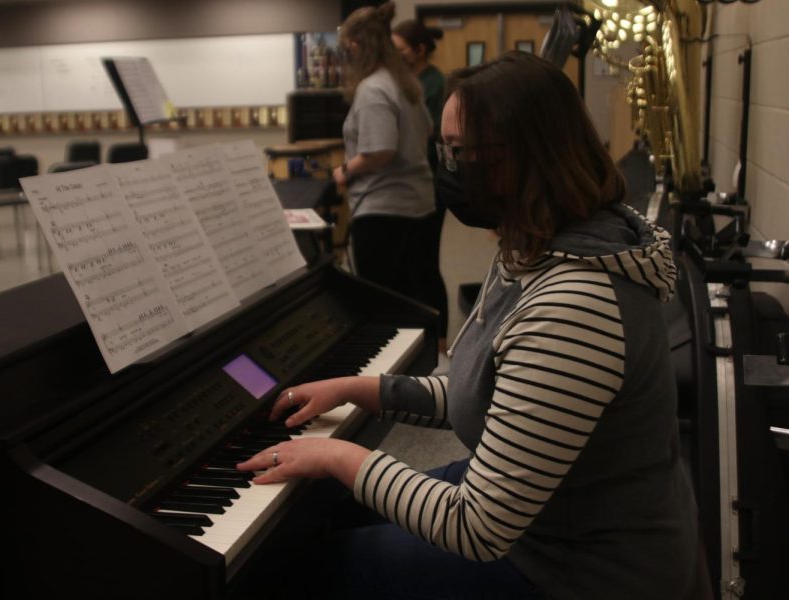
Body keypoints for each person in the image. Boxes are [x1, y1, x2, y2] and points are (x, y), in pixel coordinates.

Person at [239, 51, 698, 599]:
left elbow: (475, 527)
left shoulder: (576, 303)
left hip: (576, 571)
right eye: (444, 150)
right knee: (331, 512)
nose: (447, 168)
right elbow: (497, 390)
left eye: (460, 153)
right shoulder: (543, 242)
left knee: (306, 570)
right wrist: (360, 388)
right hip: (544, 522)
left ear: (527, 159)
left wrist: (339, 454)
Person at [331, 2, 435, 314]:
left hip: (384, 211)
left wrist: (345, 170)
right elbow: (427, 130)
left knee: (381, 303)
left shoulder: (373, 88)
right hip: (418, 204)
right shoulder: (405, 83)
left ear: (355, 47)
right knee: (409, 295)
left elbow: (380, 150)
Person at [392, 19, 450, 354]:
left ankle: (440, 340)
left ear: (419, 50)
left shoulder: (434, 83)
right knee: (412, 264)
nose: (396, 56)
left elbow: (428, 137)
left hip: (430, 185)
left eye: (401, 51)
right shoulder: (409, 81)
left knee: (426, 263)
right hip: (413, 186)